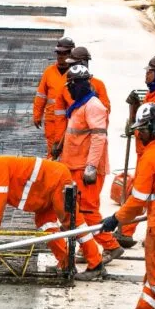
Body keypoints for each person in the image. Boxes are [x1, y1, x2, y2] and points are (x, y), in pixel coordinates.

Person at [0, 153, 106, 280]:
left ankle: (96, 264)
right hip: (44, 192)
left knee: (72, 223)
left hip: (56, 180)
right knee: (45, 224)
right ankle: (66, 264)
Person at [101, 103, 155, 309]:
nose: (139, 135)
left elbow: (137, 201)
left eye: (142, 130)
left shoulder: (151, 156)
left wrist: (115, 219)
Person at [57, 64, 124, 261]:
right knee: (76, 211)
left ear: (80, 84)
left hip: (86, 169)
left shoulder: (93, 106)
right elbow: (75, 134)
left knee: (87, 211)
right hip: (75, 166)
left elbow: (98, 138)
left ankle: (111, 246)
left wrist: (91, 167)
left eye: (71, 85)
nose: (68, 89)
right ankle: (86, 248)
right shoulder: (80, 105)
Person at [117, 54, 155, 248]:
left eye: (149, 72)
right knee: (144, 193)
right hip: (145, 153)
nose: (146, 76)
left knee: (145, 194)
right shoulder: (152, 94)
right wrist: (135, 111)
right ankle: (127, 230)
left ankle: (127, 230)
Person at [34, 37, 74, 158]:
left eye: (64, 53)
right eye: (59, 53)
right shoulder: (49, 72)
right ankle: (52, 174)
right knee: (53, 151)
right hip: (52, 120)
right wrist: (37, 115)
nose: (61, 56)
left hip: (70, 120)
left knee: (69, 152)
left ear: (71, 53)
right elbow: (41, 95)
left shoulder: (75, 73)